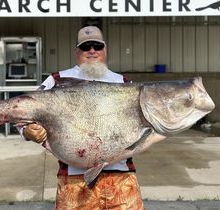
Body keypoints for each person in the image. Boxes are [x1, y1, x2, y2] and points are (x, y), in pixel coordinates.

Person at [22, 26, 145, 210]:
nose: (92, 51)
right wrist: (27, 130)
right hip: (74, 180)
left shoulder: (124, 83)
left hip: (121, 178)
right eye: (86, 47)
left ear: (105, 50)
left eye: (97, 45)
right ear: (76, 51)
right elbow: (22, 110)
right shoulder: (57, 80)